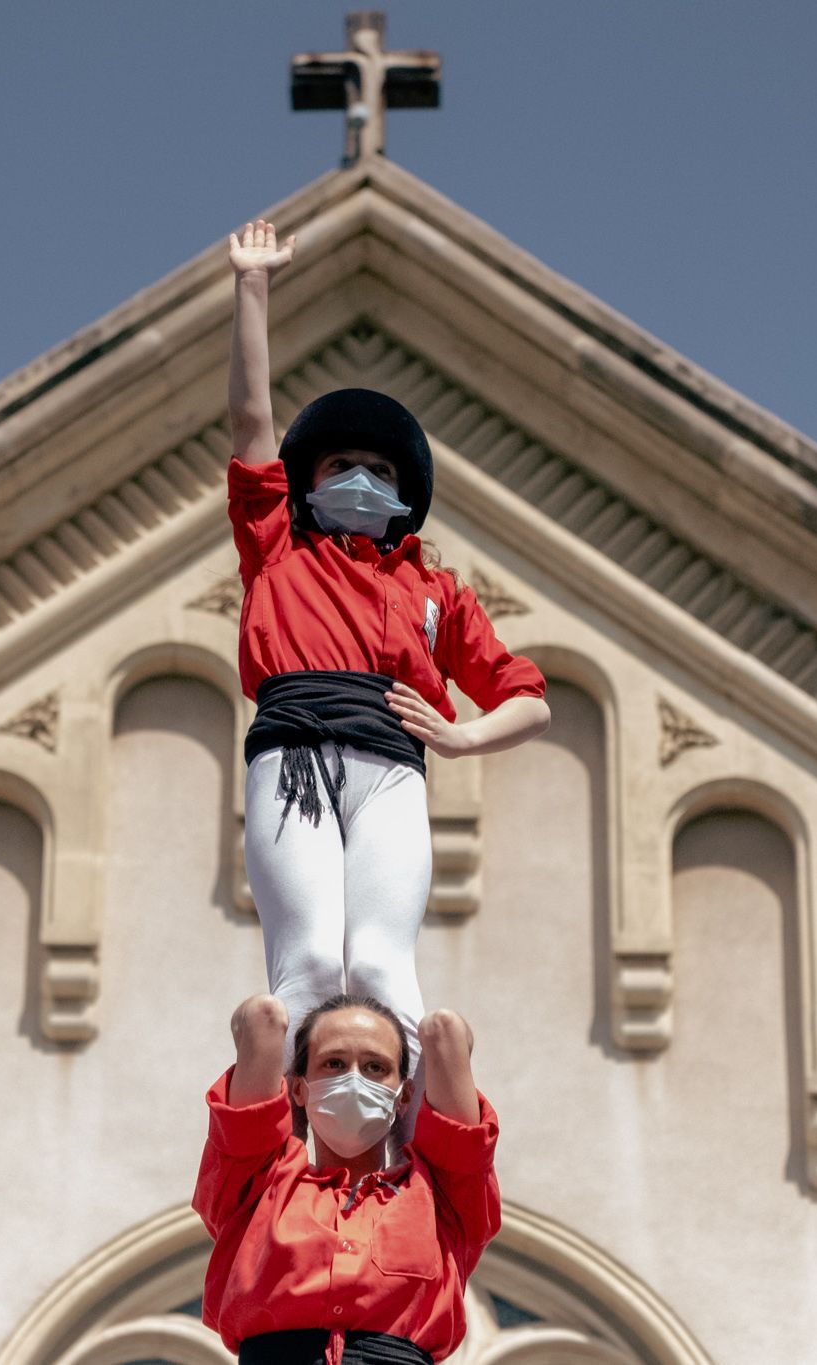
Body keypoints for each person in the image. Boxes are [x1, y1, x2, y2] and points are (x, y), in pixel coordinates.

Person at [225, 218, 551, 1071]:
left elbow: (528, 694)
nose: (359, 478)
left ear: (403, 493)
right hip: (294, 749)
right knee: (306, 962)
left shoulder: (435, 590)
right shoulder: (278, 548)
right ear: (309, 484)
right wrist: (252, 288)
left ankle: (412, 1135)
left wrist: (461, 734)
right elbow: (250, 419)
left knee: (376, 961)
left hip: (393, 766)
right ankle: (292, 1144)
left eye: (378, 467)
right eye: (339, 466)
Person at [194, 991, 499, 1365]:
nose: (354, 1080)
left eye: (375, 1067)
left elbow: (445, 1031)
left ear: (404, 1096)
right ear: (299, 1088)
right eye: (334, 1063)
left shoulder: (438, 1195)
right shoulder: (261, 1184)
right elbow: (262, 1018)